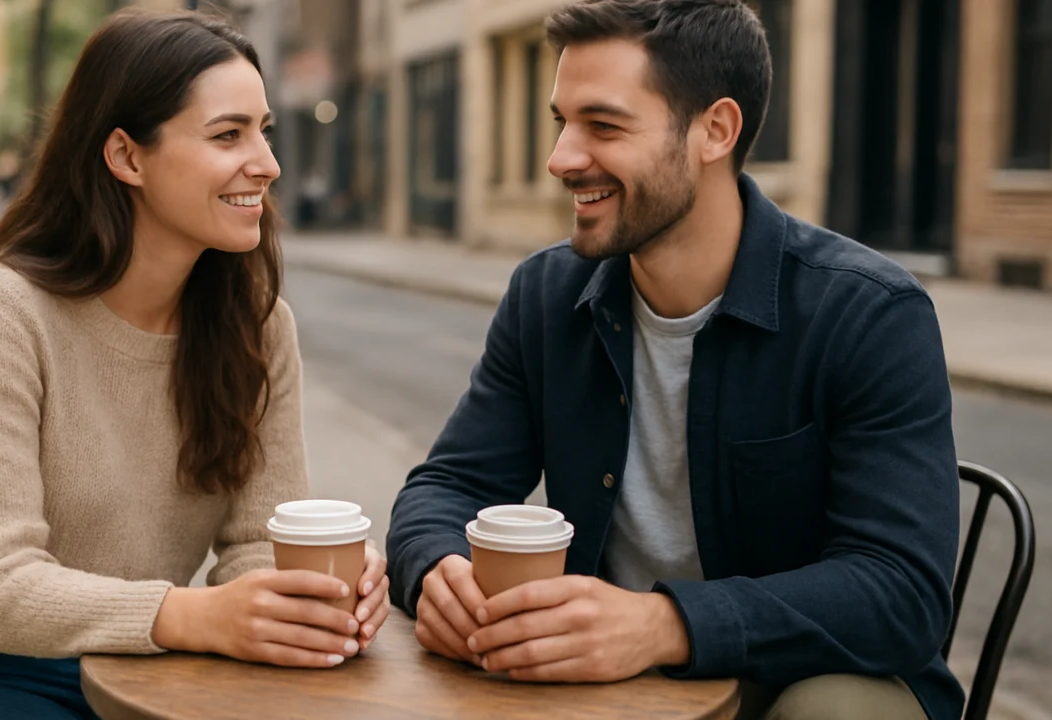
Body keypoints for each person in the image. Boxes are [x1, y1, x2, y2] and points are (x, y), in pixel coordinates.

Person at [386, 1, 962, 718]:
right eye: (561, 122)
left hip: (798, 674)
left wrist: (663, 625)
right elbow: (443, 488)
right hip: (610, 681)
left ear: (714, 131)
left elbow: (901, 593)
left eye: (603, 125)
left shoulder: (869, 314)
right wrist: (438, 568)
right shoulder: (544, 295)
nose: (561, 157)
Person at [0, 10, 390, 720]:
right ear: (127, 156)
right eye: (228, 134)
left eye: (263, 130)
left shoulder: (257, 326)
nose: (266, 162)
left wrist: (304, 602)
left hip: (153, 668)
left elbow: (255, 543)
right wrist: (199, 616)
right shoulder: (1, 313)